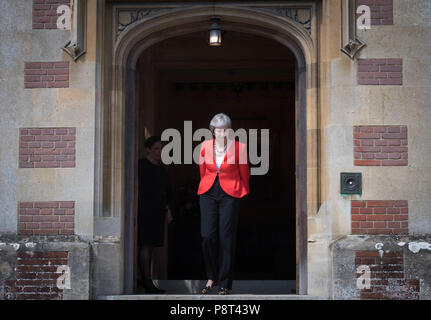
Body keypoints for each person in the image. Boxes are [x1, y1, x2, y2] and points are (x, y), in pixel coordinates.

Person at [197, 113, 250, 295]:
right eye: (219, 130)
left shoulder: (239, 147)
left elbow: (245, 173)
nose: (223, 133)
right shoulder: (204, 146)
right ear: (213, 131)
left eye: (226, 130)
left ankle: (225, 283)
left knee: (226, 237)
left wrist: (241, 192)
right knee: (207, 236)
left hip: (230, 194)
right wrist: (207, 187)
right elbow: (203, 171)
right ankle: (211, 277)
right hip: (208, 193)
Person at [137, 135, 174, 294]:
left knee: (151, 245)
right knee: (146, 244)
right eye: (156, 149)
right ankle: (146, 281)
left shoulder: (162, 169)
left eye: (161, 149)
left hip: (158, 211)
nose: (159, 152)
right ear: (148, 150)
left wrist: (168, 210)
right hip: (144, 210)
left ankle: (147, 279)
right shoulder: (140, 166)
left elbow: (165, 193)